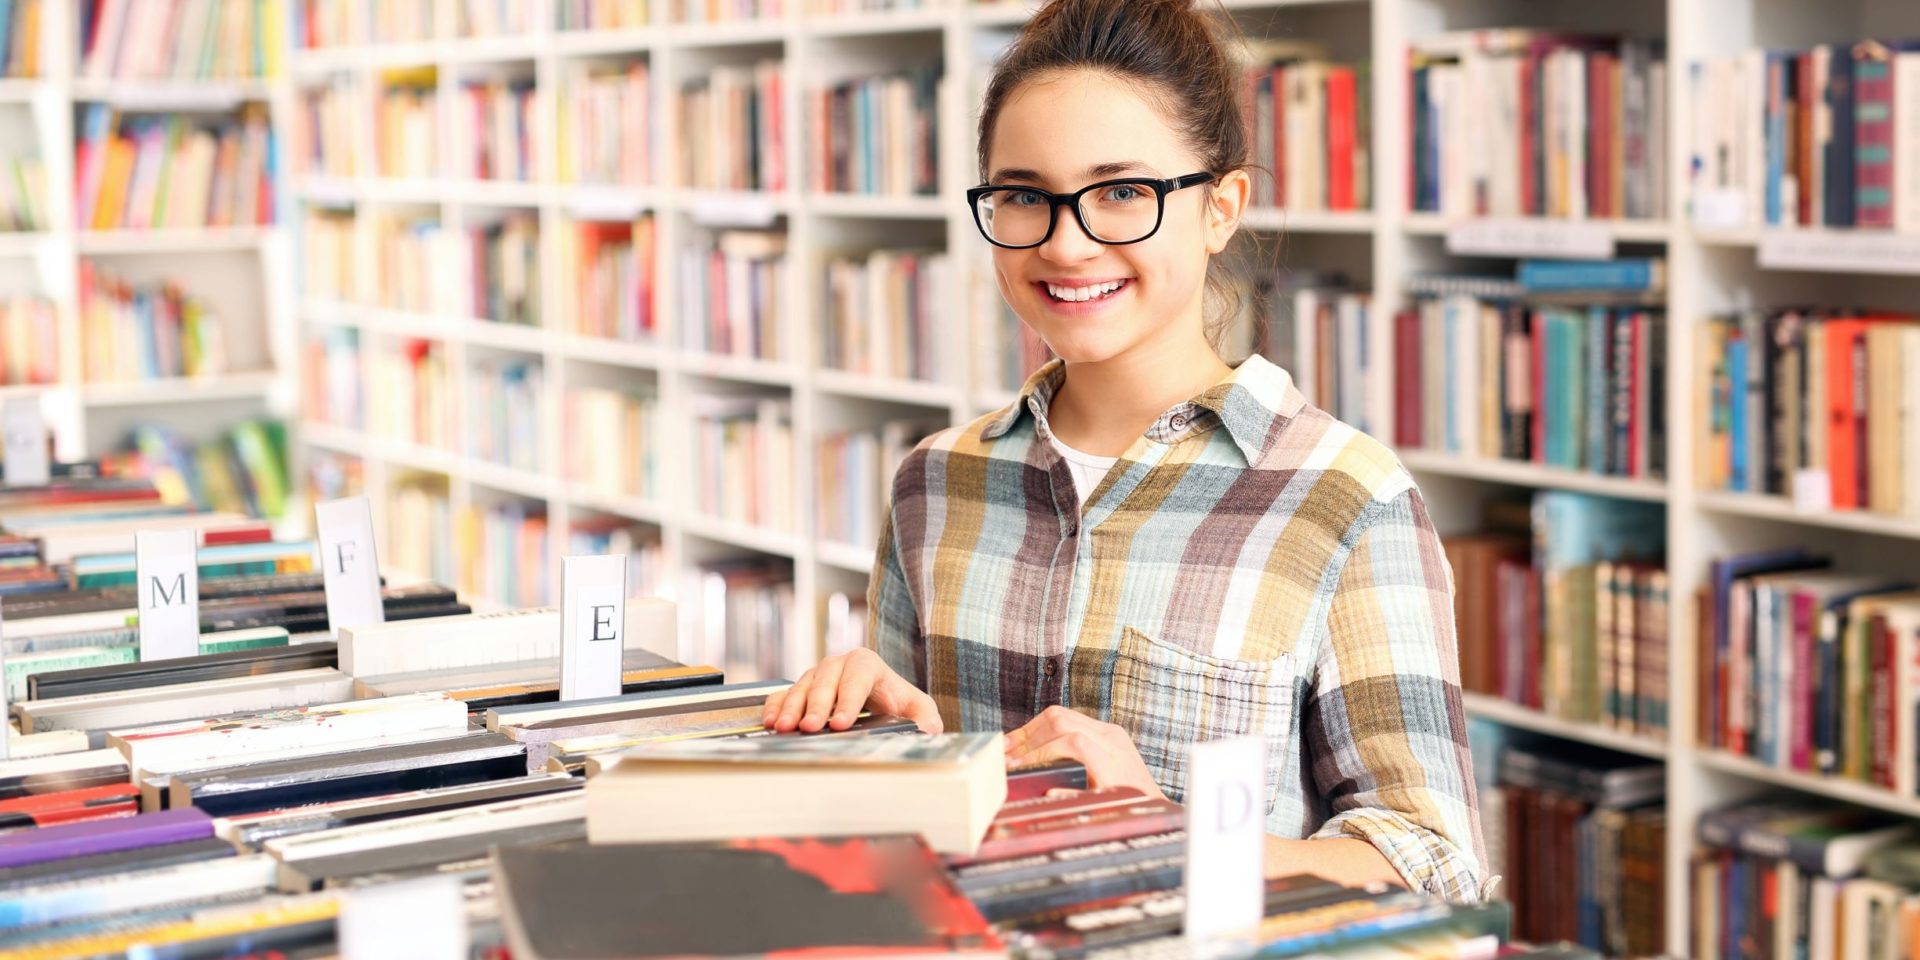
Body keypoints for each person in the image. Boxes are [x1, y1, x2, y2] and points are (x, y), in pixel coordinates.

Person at [762, 0, 1488, 901]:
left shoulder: (1346, 495)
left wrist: (1171, 833)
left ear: (1220, 208)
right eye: (1025, 195)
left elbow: (1438, 862)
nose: (1067, 244)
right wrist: (856, 727)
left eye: (1121, 193)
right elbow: (914, 810)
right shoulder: (935, 481)